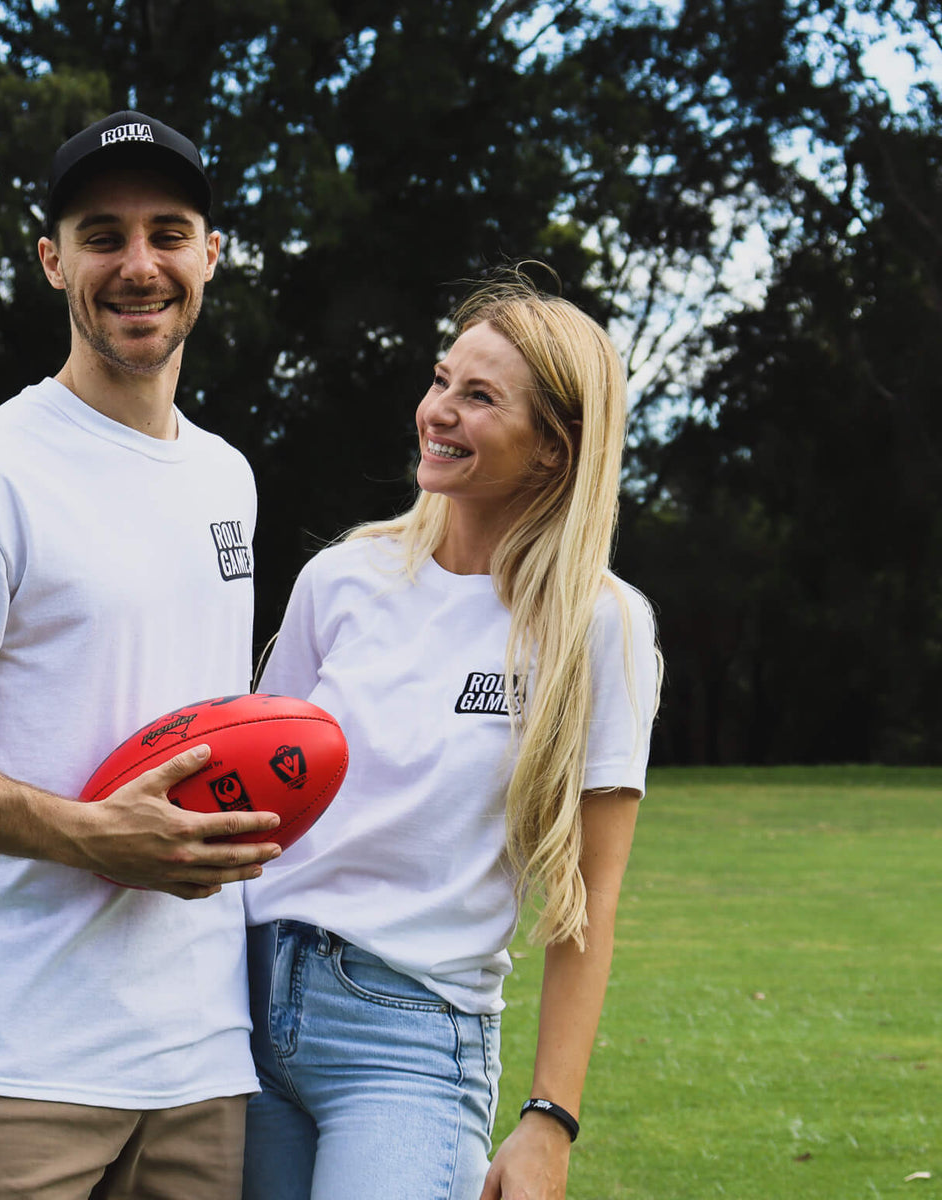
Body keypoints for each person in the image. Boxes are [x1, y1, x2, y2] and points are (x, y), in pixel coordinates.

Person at [0, 110, 282, 1200]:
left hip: (201, 1060)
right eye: (102, 234)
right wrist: (89, 835)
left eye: (168, 233)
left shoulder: (228, 477)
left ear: (209, 256)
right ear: (52, 261)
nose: (139, 265)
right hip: (13, 1064)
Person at [241, 270, 661, 1200]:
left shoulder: (599, 626)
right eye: (441, 382)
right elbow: (254, 807)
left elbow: (591, 896)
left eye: (479, 397)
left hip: (409, 1039)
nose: (440, 411)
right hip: (245, 1003)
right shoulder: (341, 580)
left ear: (554, 448)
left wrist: (550, 1120)